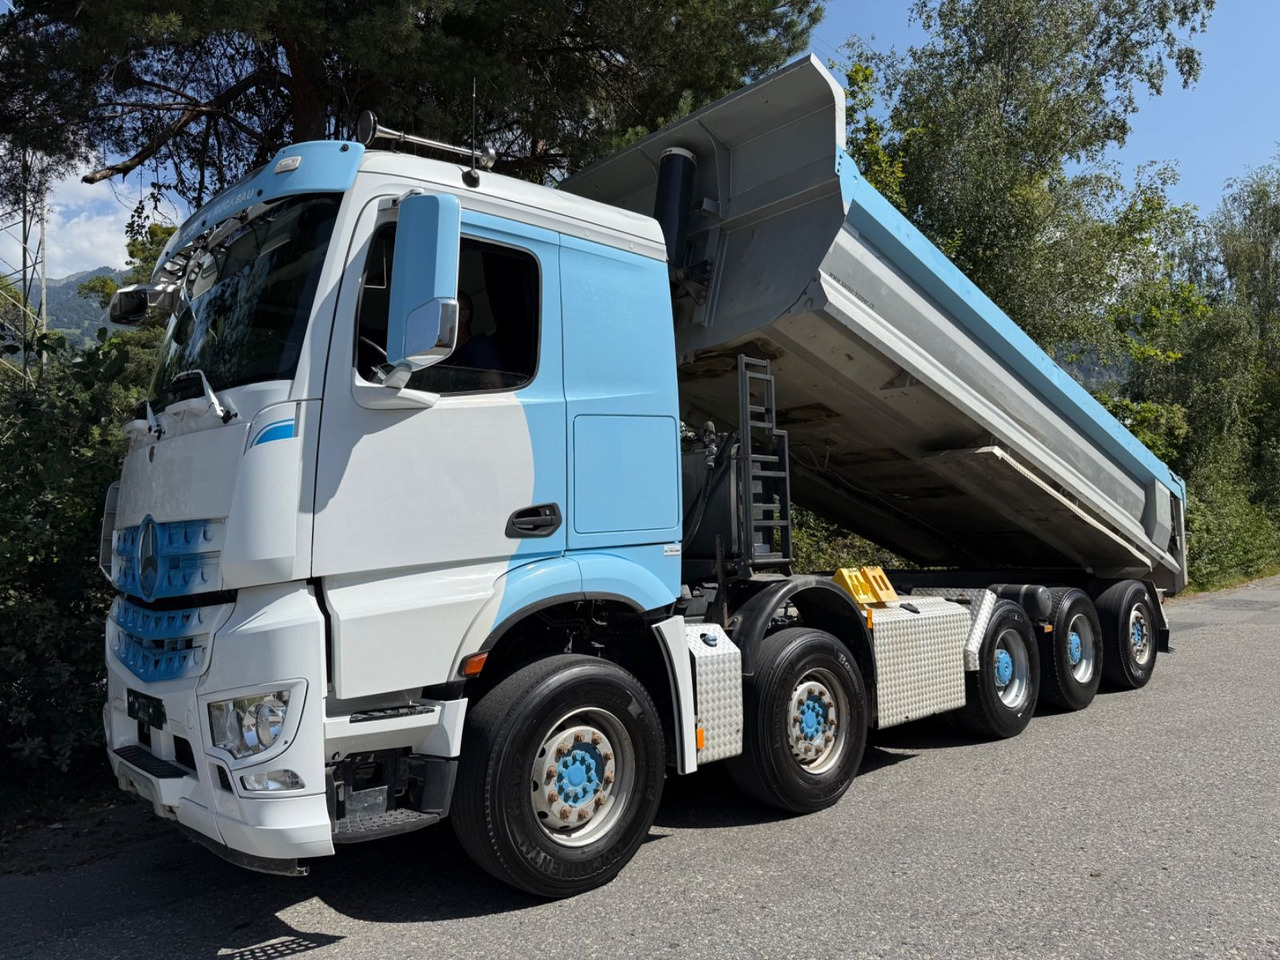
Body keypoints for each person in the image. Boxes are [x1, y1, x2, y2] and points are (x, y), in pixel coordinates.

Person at [447, 291, 501, 371]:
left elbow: (492, 382)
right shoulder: (442, 354)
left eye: (447, 311)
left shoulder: (479, 348)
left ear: (463, 316)